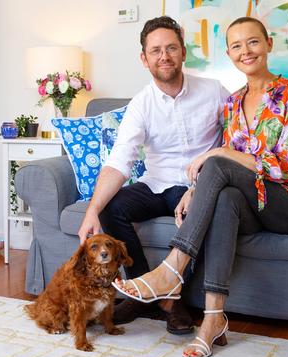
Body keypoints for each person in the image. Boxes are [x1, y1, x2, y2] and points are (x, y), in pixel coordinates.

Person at [112, 17, 288, 357]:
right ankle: (214, 320)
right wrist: (195, 190)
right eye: (237, 46)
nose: (247, 51)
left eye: (253, 42)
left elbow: (285, 165)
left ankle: (172, 269)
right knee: (224, 197)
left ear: (268, 44)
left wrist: (221, 153)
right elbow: (227, 174)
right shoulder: (230, 104)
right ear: (229, 53)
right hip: (251, 203)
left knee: (216, 162)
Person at [77, 16, 230, 334]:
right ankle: (146, 289)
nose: (165, 56)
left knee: (204, 208)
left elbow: (237, 141)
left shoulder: (214, 91)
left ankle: (174, 301)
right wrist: (92, 210)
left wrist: (202, 182)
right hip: (156, 183)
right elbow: (119, 161)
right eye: (156, 50)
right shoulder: (141, 105)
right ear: (144, 59)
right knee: (110, 205)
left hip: (194, 187)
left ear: (183, 52)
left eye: (171, 48)